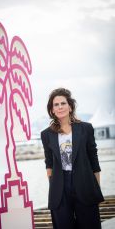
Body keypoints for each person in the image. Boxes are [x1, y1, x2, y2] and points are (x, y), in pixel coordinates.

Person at [41, 88, 104, 229]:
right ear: (52, 110)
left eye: (63, 103)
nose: (60, 107)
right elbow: (49, 163)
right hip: (60, 187)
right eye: (56, 105)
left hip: (85, 182)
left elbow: (93, 159)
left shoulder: (86, 128)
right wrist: (53, 185)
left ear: (70, 106)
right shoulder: (46, 134)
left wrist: (96, 187)